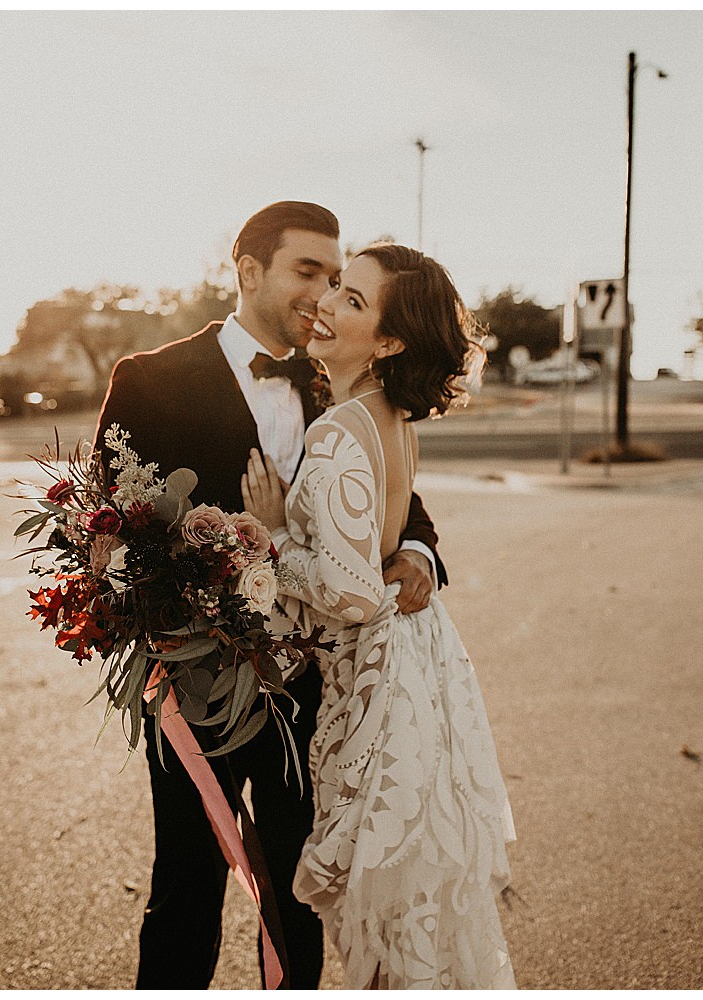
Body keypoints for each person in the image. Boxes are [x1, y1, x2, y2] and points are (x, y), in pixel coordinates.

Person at [93, 203, 445, 989]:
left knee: (299, 892)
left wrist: (418, 546)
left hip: (314, 693)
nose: (323, 294)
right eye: (306, 271)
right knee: (185, 888)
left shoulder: (342, 379)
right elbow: (108, 529)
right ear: (247, 270)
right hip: (198, 690)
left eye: (335, 276)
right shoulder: (150, 380)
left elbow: (396, 492)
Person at [242, 243, 516, 989]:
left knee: (382, 903)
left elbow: (353, 591)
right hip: (418, 660)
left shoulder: (337, 432)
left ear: (389, 341)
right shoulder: (390, 418)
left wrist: (268, 541)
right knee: (408, 902)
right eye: (336, 289)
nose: (328, 305)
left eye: (354, 302)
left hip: (378, 683)